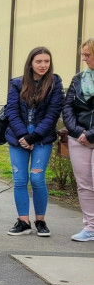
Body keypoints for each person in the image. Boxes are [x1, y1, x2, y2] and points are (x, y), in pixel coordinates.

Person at [4, 47, 64, 237]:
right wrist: (23, 135)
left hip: (42, 138)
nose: (43, 65)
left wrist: (33, 137)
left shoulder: (55, 83)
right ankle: (23, 222)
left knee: (37, 179)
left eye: (47, 61)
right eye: (39, 61)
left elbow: (53, 113)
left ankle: (40, 221)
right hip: (17, 138)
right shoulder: (16, 83)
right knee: (20, 180)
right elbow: (11, 111)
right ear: (31, 63)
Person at [64, 40, 94, 241]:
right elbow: (67, 107)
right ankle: (90, 227)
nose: (83, 58)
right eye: (83, 54)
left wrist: (91, 134)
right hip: (79, 139)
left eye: (87, 55)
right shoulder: (78, 79)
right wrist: (77, 131)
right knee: (84, 184)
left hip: (90, 136)